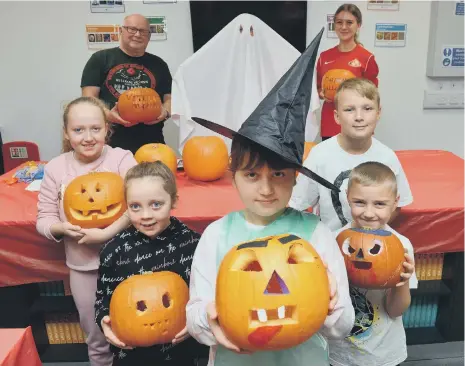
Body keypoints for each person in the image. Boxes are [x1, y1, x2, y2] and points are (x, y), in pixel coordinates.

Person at [186, 29, 354, 366]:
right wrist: (209, 314)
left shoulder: (315, 233)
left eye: (278, 175)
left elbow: (343, 326)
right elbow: (195, 320)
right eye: (252, 175)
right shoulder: (217, 236)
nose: (265, 188)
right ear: (233, 177)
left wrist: (332, 305)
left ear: (295, 180)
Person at [36, 96, 138, 366]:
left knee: (138, 329)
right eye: (78, 130)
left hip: (129, 263)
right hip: (83, 268)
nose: (88, 137)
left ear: (107, 128)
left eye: (95, 128)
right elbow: (44, 218)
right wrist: (60, 228)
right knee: (96, 338)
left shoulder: (122, 159)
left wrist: (106, 233)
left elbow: (138, 206)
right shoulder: (56, 168)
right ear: (67, 133)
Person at [94, 161, 209, 365]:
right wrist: (104, 321)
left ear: (173, 201)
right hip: (131, 355)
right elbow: (103, 299)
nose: (146, 215)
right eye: (135, 206)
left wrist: (197, 321)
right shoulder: (114, 251)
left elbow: (206, 295)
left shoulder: (194, 244)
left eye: (156, 204)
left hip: (181, 351)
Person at [289, 78, 413, 232]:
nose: (359, 117)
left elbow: (396, 206)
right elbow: (297, 204)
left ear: (378, 113)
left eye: (367, 108)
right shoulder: (319, 155)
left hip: (373, 244)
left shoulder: (387, 157)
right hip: (330, 245)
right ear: (337, 116)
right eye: (349, 110)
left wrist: (370, 228)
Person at [329, 161, 417, 366]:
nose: (369, 213)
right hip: (339, 354)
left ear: (395, 203)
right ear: (348, 198)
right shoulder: (334, 240)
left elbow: (395, 311)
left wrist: (402, 282)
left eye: (379, 204)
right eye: (360, 202)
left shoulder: (402, 246)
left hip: (383, 354)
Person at [81, 14, 172, 154]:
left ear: (148, 36)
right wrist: (106, 114)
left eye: (143, 31)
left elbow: (170, 98)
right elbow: (88, 99)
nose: (137, 34)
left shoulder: (159, 65)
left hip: (152, 145)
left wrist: (165, 112)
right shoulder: (100, 59)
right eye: (132, 29)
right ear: (120, 31)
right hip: (110, 145)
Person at [317, 3, 379, 140]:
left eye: (349, 22)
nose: (343, 27)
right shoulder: (324, 57)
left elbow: (372, 94)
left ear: (358, 25)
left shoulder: (366, 58)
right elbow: (317, 90)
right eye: (339, 22)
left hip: (357, 124)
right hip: (330, 123)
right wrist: (322, 93)